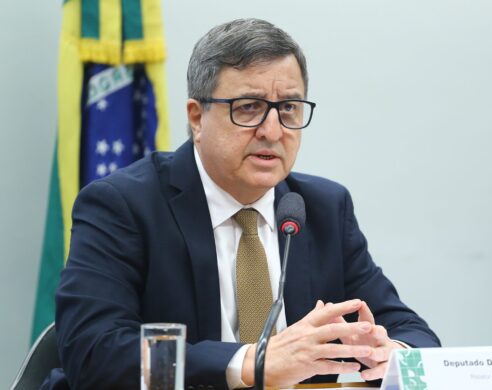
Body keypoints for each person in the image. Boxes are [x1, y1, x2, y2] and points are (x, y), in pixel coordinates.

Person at [49, 18, 440, 390]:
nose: (272, 131)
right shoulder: (124, 206)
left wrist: (391, 355)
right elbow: (92, 352)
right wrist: (253, 362)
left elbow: (412, 332)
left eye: (288, 108)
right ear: (197, 117)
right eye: (249, 107)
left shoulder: (322, 207)